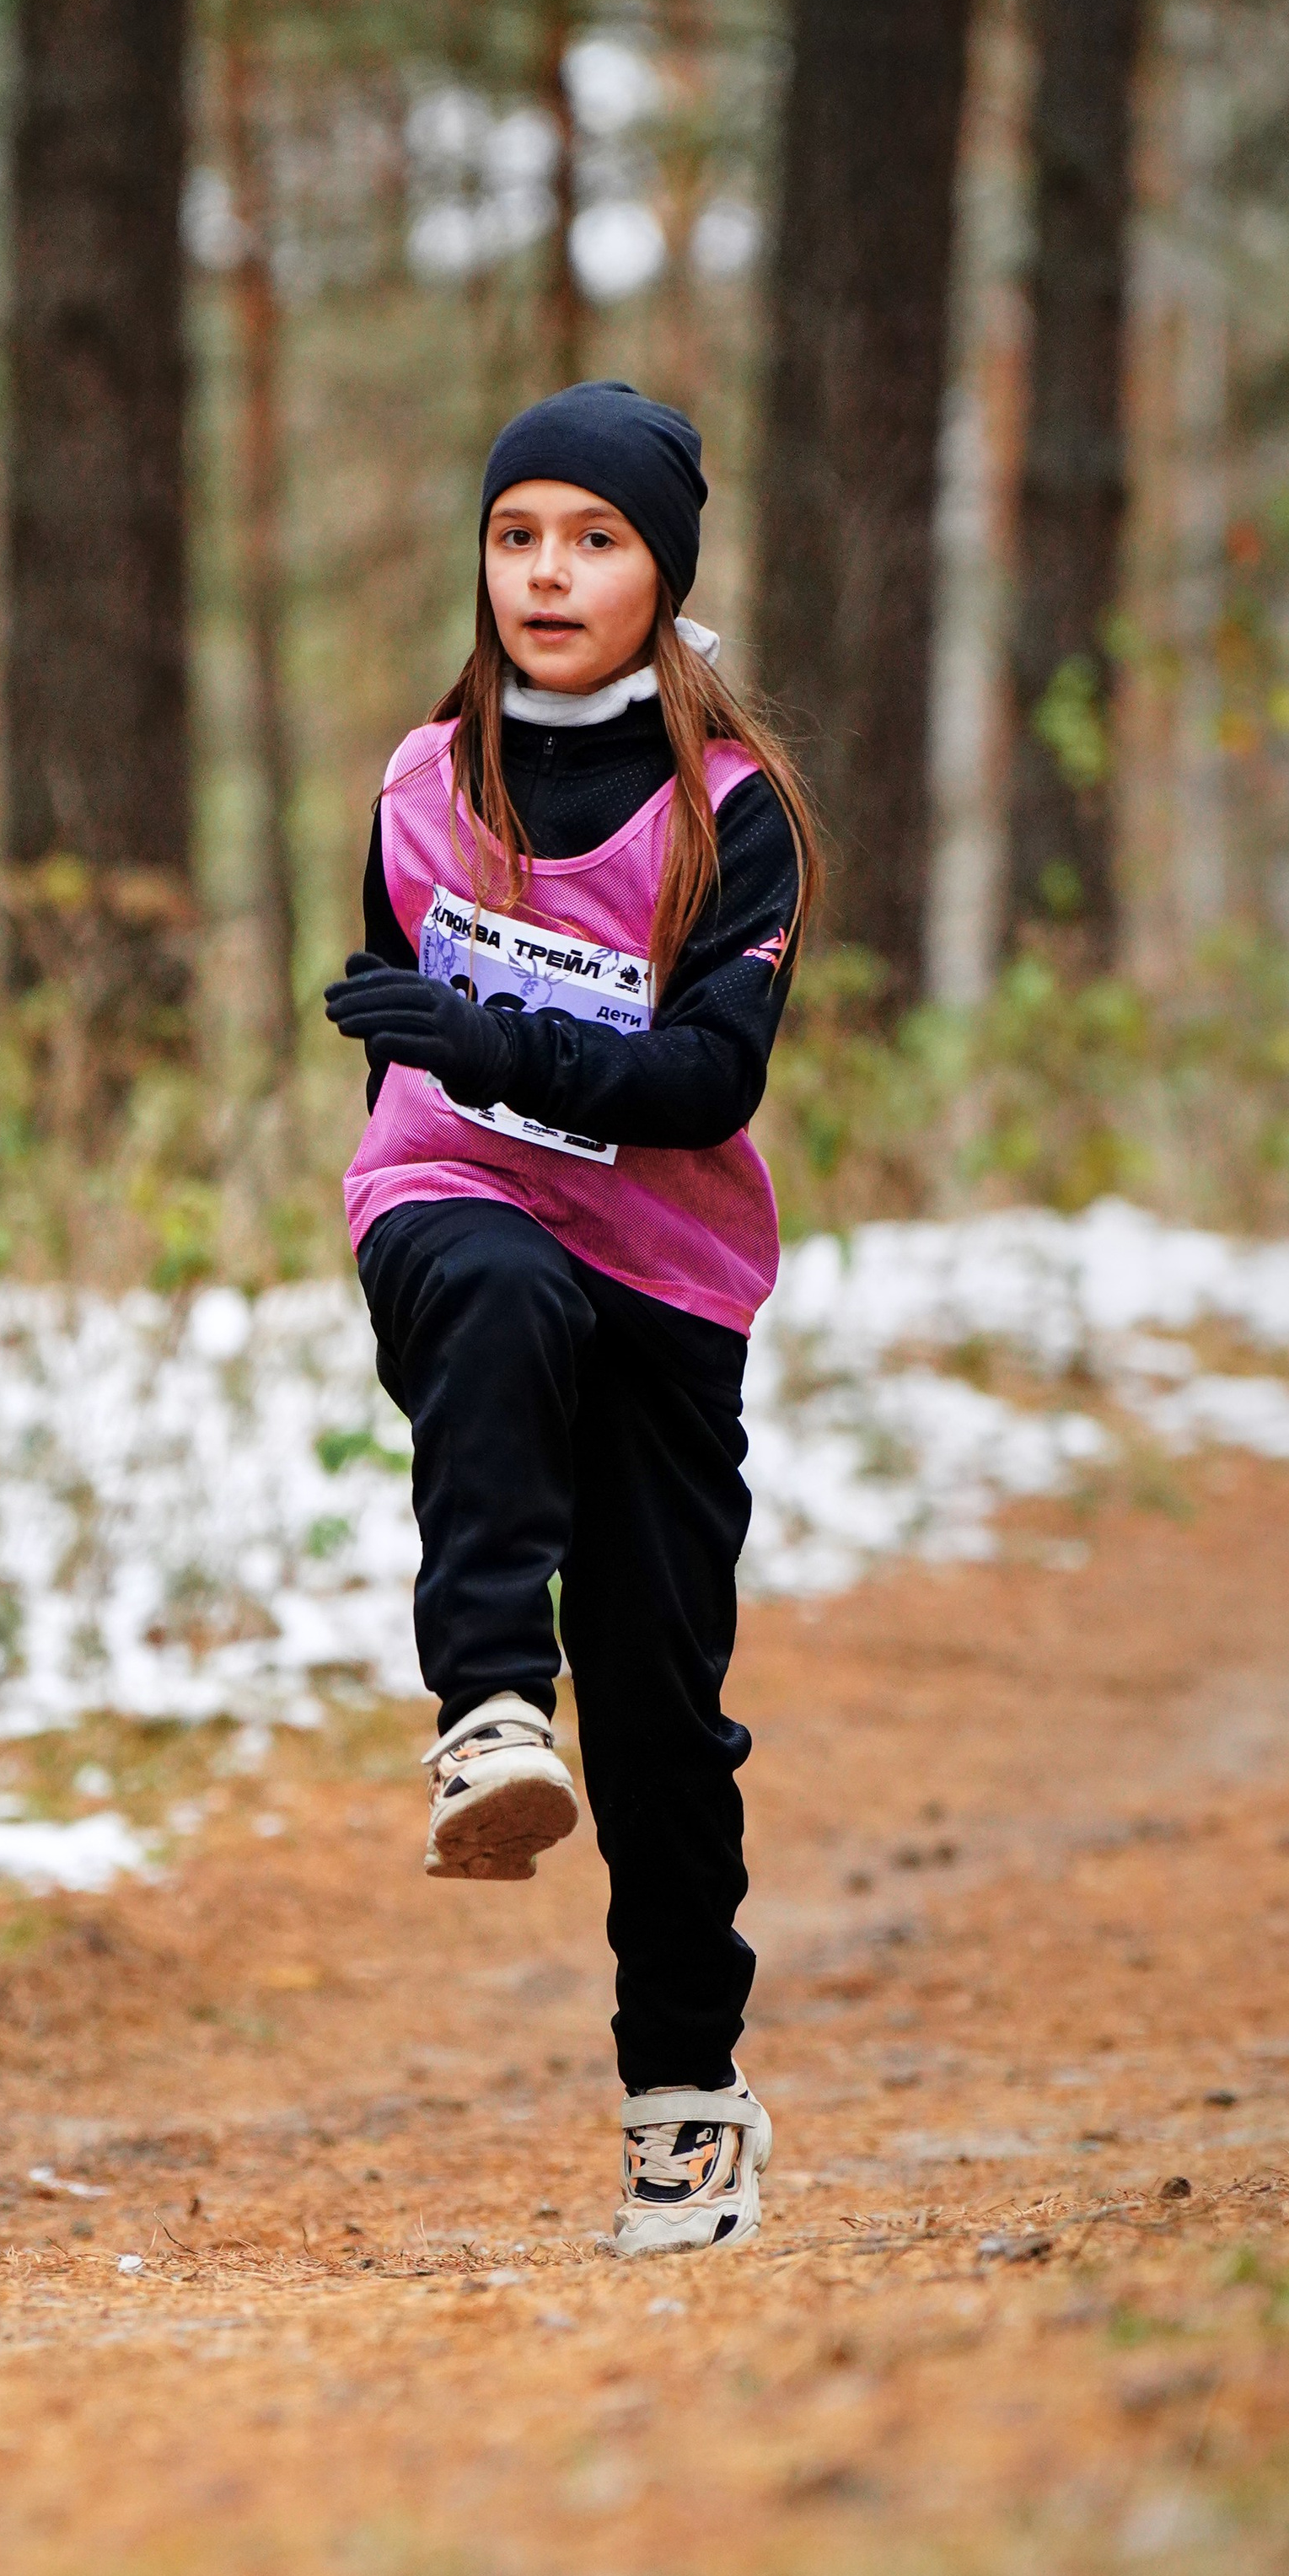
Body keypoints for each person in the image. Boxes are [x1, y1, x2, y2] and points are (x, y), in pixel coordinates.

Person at [323, 380, 822, 2258]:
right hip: (453, 1216)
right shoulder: (414, 780)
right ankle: (478, 1709)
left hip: (668, 1276)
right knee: (494, 1277)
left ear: (657, 574)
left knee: (666, 1720)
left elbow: (703, 1081)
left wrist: (496, 1040)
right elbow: (387, 999)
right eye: (517, 534)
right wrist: (426, 1100)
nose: (546, 571)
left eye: (593, 539)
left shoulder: (730, 813)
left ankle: (685, 2102)